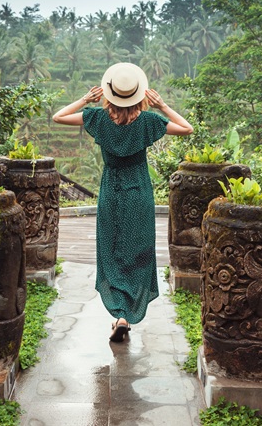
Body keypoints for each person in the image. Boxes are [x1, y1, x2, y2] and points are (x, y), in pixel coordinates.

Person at [52, 62, 193, 342]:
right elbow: (186, 128)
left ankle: (118, 313)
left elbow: (58, 117)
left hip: (111, 191)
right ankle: (128, 313)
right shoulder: (149, 122)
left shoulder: (97, 118)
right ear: (140, 94)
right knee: (138, 250)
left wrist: (85, 99)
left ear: (109, 93)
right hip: (139, 190)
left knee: (111, 249)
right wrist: (163, 105)